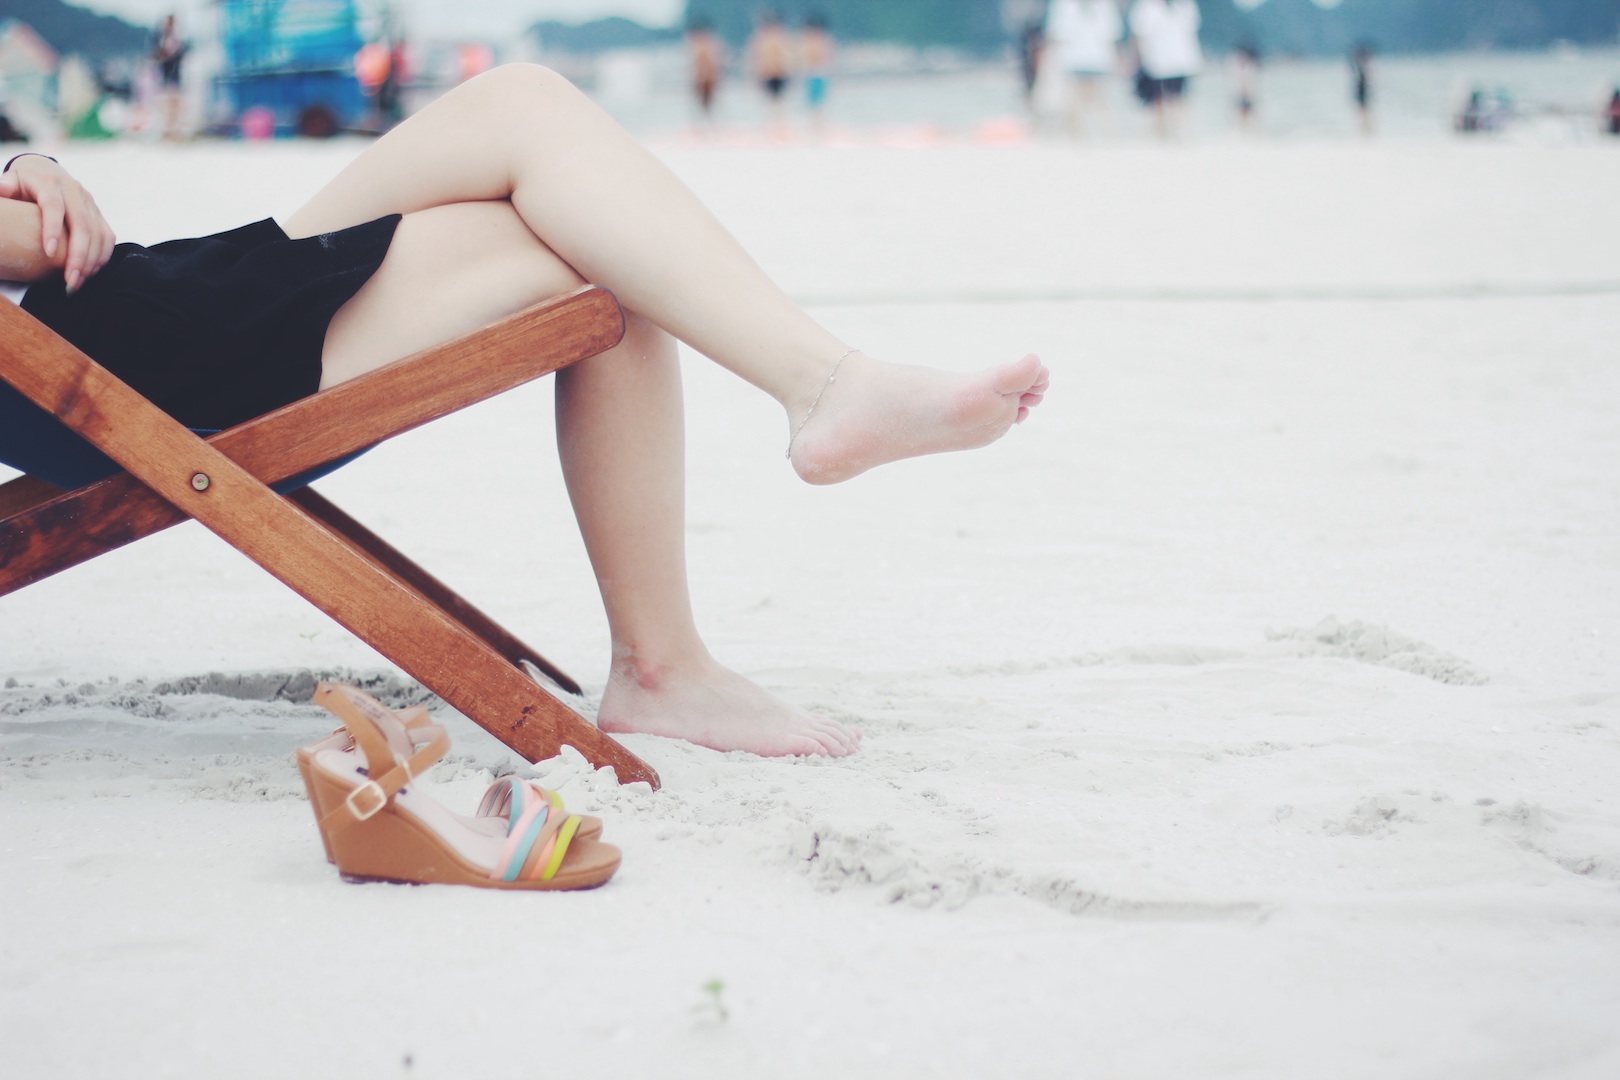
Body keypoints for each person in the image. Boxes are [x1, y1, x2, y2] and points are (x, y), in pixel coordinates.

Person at [0, 66, 1049, 760]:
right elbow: (38, 249)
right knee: (599, 251)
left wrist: (27, 164)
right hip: (122, 361)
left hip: (141, 314)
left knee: (525, 105)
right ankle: (675, 646)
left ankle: (815, 407)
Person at [1044, 0, 1122, 139]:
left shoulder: (1065, 5)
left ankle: (1088, 138)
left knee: (1081, 101)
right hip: (1087, 59)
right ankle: (1102, 137)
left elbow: (1056, 36)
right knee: (1090, 101)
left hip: (1086, 59)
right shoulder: (1103, 5)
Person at [1128, 0, 1202, 138]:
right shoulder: (1147, 6)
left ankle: (1178, 133)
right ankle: (1163, 134)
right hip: (1157, 62)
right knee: (1159, 100)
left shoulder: (1183, 5)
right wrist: (1136, 59)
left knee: (1176, 99)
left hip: (1179, 62)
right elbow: (1139, 35)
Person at [750, 12, 792, 135]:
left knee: (778, 101)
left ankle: (779, 125)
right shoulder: (762, 40)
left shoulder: (781, 39)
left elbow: (787, 58)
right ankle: (771, 126)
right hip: (768, 74)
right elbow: (758, 59)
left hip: (779, 73)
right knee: (769, 101)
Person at [150, 13, 188, 140]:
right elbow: (155, 55)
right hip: (165, 76)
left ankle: (174, 131)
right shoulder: (160, 38)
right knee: (165, 104)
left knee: (174, 104)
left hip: (174, 75)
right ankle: (167, 131)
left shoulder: (177, 38)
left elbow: (181, 55)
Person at [686, 18, 724, 127]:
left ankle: (708, 125)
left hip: (706, 79)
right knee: (702, 104)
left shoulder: (705, 45)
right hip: (702, 78)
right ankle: (704, 125)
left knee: (707, 103)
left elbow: (712, 63)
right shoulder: (702, 44)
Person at [800, 14, 834, 133]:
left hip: (819, 73)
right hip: (811, 74)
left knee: (817, 102)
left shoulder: (822, 40)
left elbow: (826, 58)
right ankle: (815, 124)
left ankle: (818, 125)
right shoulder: (809, 41)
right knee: (812, 102)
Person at [1231, 41, 1259, 134]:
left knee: (1247, 116)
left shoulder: (1249, 66)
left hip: (1247, 95)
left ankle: (1247, 133)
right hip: (1241, 94)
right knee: (1240, 116)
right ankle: (1243, 133)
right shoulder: (1238, 66)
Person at [1350, 42, 1375, 137]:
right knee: (1364, 110)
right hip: (1361, 89)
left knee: (1363, 110)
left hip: (1361, 89)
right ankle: (1365, 129)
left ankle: (1364, 129)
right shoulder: (1362, 66)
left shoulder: (1359, 66)